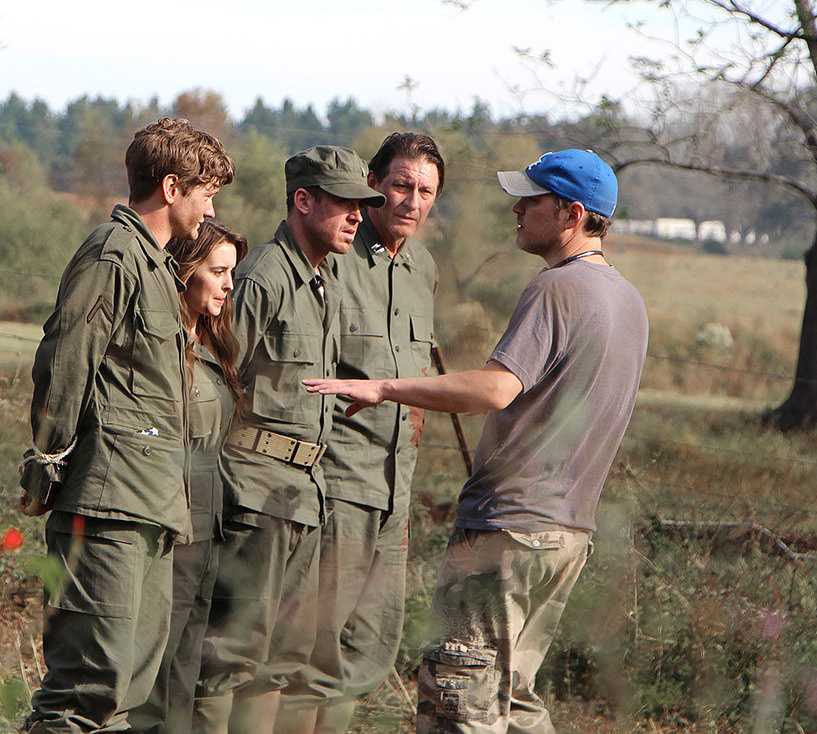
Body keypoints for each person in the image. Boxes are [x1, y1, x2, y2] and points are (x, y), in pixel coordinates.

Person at [305, 149, 648, 733]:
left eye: (531, 200)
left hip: (507, 532)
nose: (517, 210)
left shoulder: (557, 290)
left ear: (570, 214)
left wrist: (385, 387)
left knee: (460, 706)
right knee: (514, 702)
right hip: (568, 534)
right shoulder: (628, 301)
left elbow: (496, 388)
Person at [20, 117, 235, 734]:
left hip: (150, 504)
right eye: (206, 192)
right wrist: (47, 463)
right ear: (172, 187)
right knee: (85, 691)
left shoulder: (160, 271)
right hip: (107, 501)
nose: (211, 206)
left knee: (125, 695)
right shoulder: (112, 255)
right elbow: (65, 360)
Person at [195, 146, 385, 734]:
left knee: (279, 663)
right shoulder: (262, 277)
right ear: (303, 201)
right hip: (253, 497)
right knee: (229, 658)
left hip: (301, 497)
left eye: (363, 206)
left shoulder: (321, 279)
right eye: (345, 204)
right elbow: (211, 382)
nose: (358, 217)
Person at [295, 133, 444, 734]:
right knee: (311, 647)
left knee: (371, 648)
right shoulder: (331, 257)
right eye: (401, 185)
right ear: (374, 185)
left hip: (394, 489)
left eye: (426, 191)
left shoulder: (421, 268)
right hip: (335, 485)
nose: (411, 201)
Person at [131, 221, 249, 734]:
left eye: (232, 274)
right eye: (218, 272)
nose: (227, 285)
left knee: (184, 672)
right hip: (168, 530)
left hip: (208, 528)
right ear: (183, 272)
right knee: (152, 680)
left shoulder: (215, 344)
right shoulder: (160, 348)